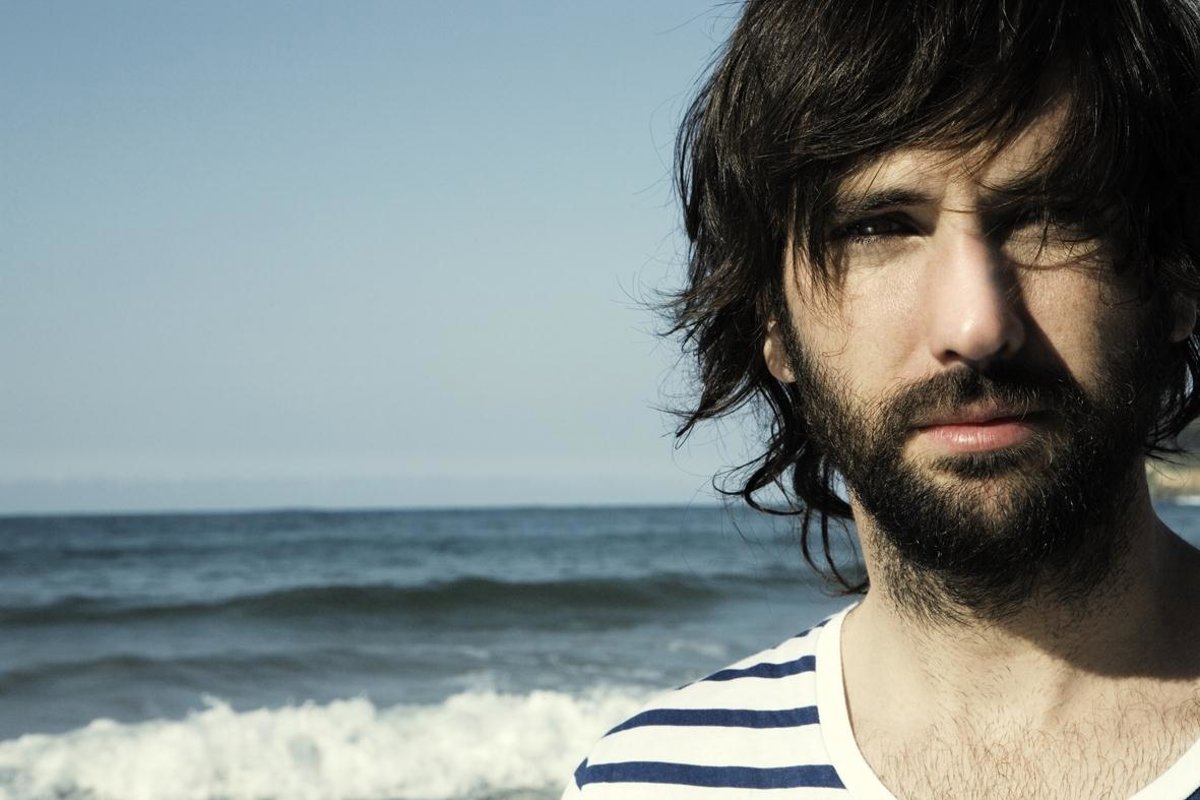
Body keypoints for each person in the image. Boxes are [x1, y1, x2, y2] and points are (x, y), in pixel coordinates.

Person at [563, 0, 1200, 797]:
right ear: (771, 322)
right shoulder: (650, 784)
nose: (976, 327)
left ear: (1177, 278)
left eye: (1046, 217)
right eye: (880, 227)